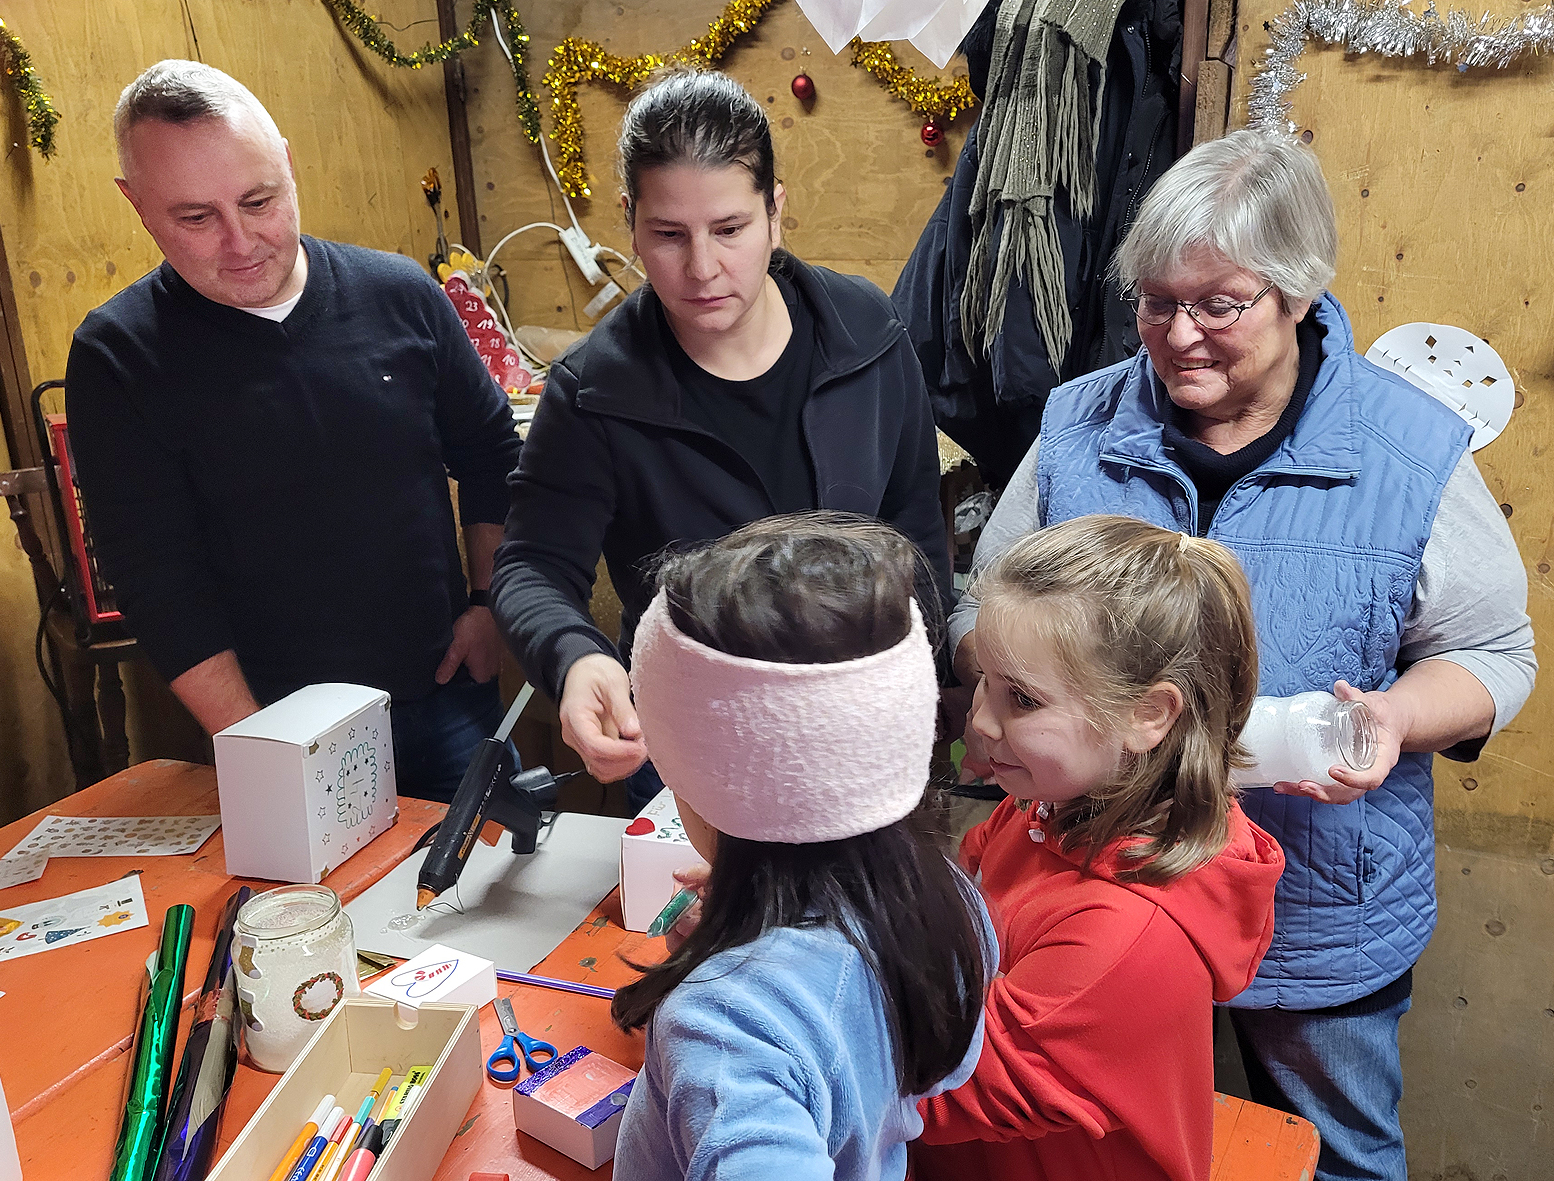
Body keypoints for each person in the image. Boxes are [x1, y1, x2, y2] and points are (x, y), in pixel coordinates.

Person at [949, 130, 1538, 1181]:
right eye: (1153, 300)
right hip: (1100, 883)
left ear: (1299, 291)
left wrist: (1395, 718)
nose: (1176, 335)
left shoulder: (1407, 451)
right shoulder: (1078, 427)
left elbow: (1491, 651)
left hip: (1317, 904)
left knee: (1331, 1154)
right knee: (1098, 1136)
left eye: (1217, 304)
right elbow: (983, 612)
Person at [491, 68, 950, 814]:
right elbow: (532, 565)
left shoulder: (868, 334)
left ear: (775, 213)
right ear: (631, 221)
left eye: (730, 230)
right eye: (669, 235)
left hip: (858, 729)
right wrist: (575, 659)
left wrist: (916, 689)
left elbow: (917, 530)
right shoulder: (596, 388)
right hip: (691, 747)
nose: (702, 268)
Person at [64, 60, 521, 800]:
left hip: (442, 692)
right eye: (195, 218)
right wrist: (256, 745)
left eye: (259, 200)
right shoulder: (119, 356)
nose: (241, 241)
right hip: (271, 718)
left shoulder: (401, 293)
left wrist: (486, 602)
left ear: (288, 164)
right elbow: (154, 575)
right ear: (137, 204)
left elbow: (491, 449)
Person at [610, 512, 992, 1180]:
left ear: (703, 779)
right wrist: (752, 937)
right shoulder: (942, 898)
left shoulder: (725, 1022)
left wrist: (741, 985)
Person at [915, 514, 1285, 1180]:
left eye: (1022, 699)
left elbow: (939, 1089)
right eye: (984, 683)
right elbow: (949, 903)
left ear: (1147, 714)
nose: (978, 720)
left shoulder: (1124, 938)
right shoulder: (1043, 810)